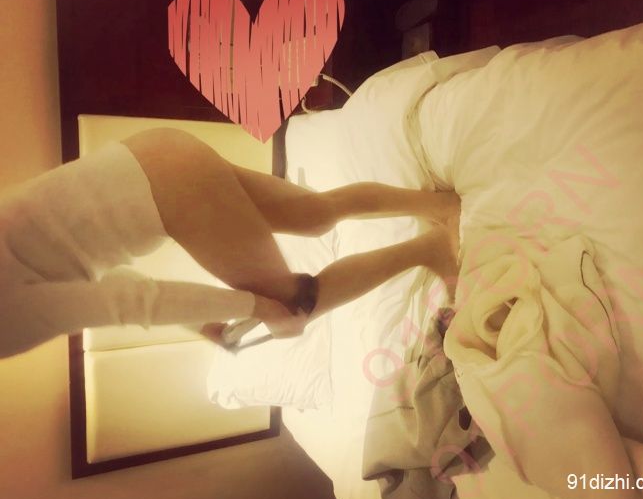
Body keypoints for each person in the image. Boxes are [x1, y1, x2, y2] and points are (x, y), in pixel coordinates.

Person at [0, 127, 460, 359]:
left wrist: (256, 308)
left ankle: (432, 248)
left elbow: (129, 303)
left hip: (169, 193)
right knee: (313, 215)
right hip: (158, 154)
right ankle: (439, 205)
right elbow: (96, 281)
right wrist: (200, 322)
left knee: (294, 305)